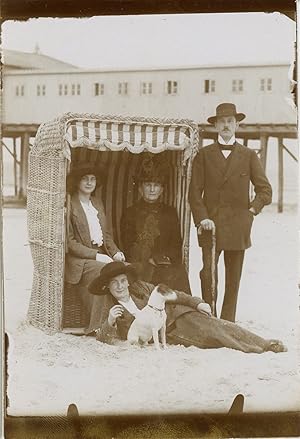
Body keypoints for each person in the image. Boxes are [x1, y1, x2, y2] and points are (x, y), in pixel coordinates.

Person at [189, 103, 272, 322]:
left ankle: (228, 321)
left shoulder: (248, 155)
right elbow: (194, 193)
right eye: (222, 121)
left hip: (238, 226)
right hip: (210, 226)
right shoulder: (204, 155)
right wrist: (202, 218)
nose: (226, 125)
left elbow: (265, 190)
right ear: (215, 125)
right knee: (207, 273)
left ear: (236, 124)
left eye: (230, 121)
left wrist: (252, 211)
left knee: (233, 278)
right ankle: (209, 317)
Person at [88, 261, 286, 354]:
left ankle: (265, 345)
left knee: (218, 327)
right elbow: (102, 337)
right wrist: (110, 321)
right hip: (174, 332)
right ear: (107, 287)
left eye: (123, 281)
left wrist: (196, 302)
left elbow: (173, 294)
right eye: (115, 283)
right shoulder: (110, 307)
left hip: (180, 315)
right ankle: (261, 346)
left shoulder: (142, 288)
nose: (121, 286)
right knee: (215, 338)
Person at [65, 164, 125, 330]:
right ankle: (99, 326)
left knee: (125, 269)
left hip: (102, 255)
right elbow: (70, 242)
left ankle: (127, 321)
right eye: (85, 179)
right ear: (77, 181)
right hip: (80, 260)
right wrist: (96, 256)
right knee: (103, 271)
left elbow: (106, 235)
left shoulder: (97, 202)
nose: (89, 182)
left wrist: (116, 252)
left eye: (92, 179)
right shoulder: (70, 203)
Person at [120, 154, 191, 293]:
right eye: (148, 185)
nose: (152, 189)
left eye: (156, 185)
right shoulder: (130, 213)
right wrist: (146, 259)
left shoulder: (170, 213)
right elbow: (127, 243)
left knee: (177, 278)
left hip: (165, 265)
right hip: (140, 264)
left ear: (162, 189)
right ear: (140, 188)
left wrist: (159, 259)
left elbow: (176, 243)